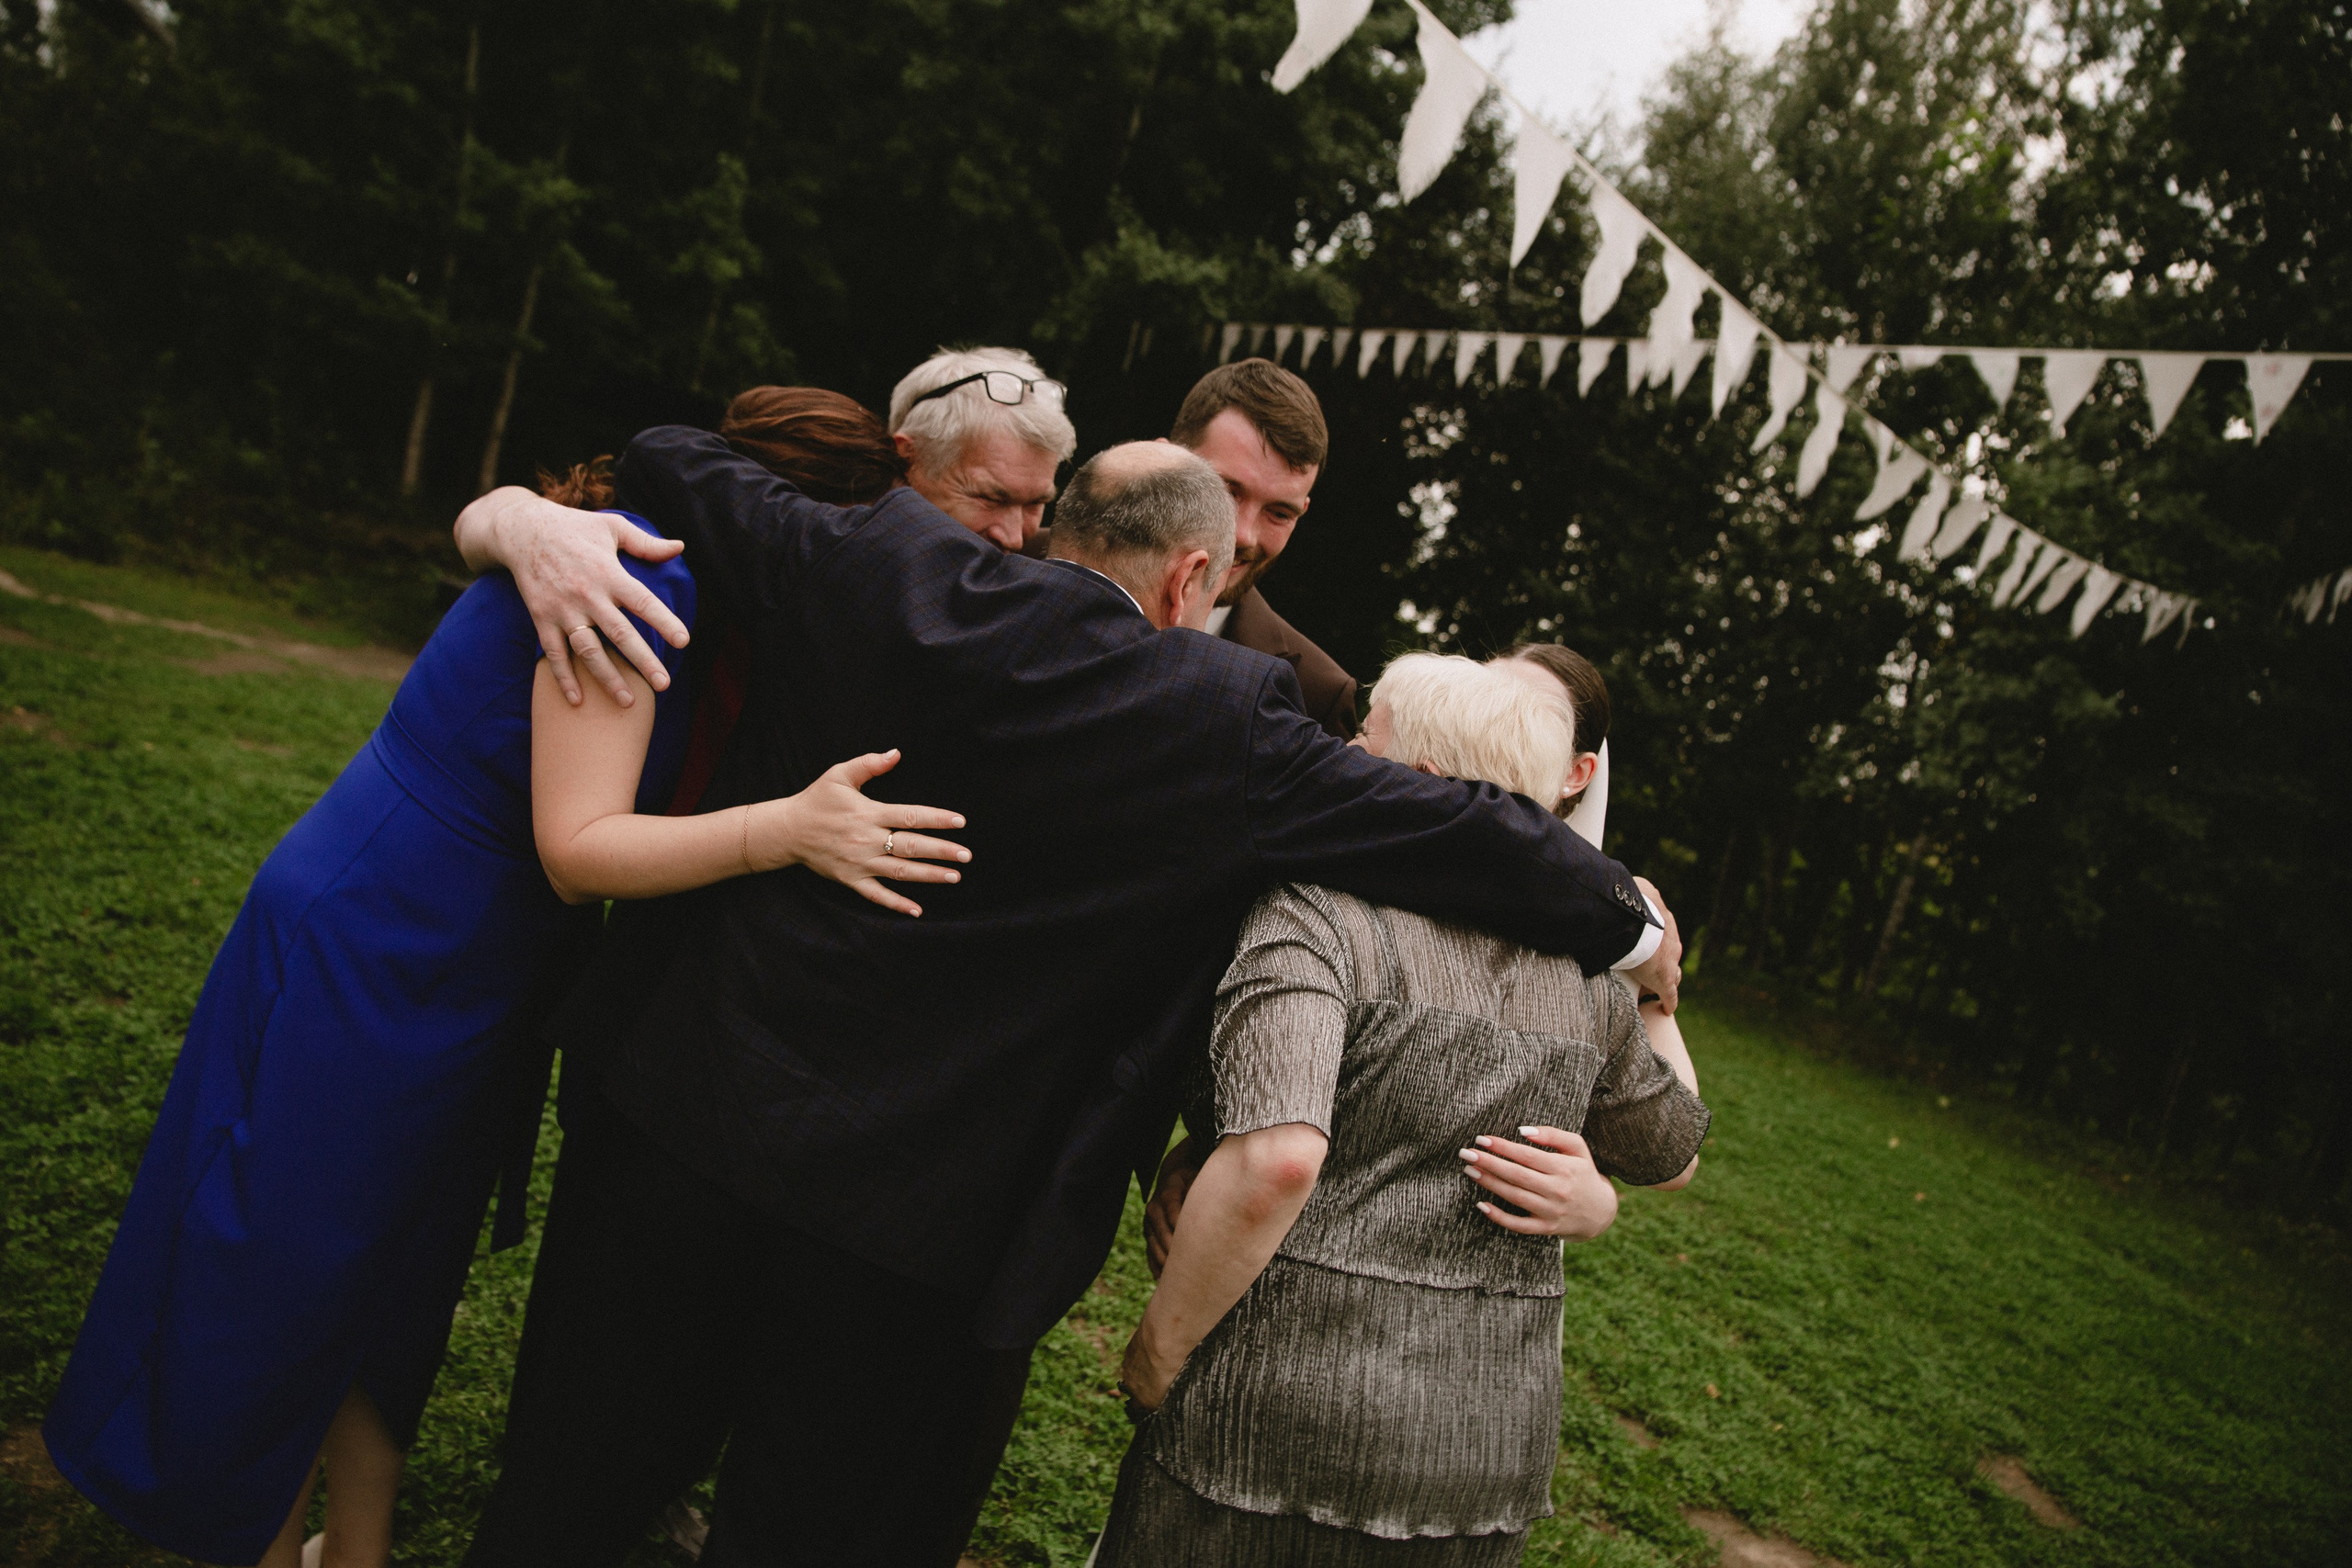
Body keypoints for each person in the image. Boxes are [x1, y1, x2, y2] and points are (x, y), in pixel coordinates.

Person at [449, 428, 1683, 1566]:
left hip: (682, 1129)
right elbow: (1464, 831)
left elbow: (674, 458)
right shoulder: (1218, 717)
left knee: (562, 1497)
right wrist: (1630, 926)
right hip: (921, 1234)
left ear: (1060, 527)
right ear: (1188, 577)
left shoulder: (877, 558)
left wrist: (523, 522)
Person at [39, 388, 963, 1568]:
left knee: (397, 1271)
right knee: (291, 1264)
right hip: (385, 942)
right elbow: (579, 852)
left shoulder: (694, 593)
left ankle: (355, 1548)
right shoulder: (649, 588)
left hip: (483, 963)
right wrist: (785, 830)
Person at [1098, 654, 1708, 1567]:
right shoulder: (1587, 979)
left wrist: (1156, 1353)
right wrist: (1654, 999)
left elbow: (1276, 1160)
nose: (1344, 752)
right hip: (1481, 1456)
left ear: (1416, 780)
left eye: (1362, 737)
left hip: (1267, 1424)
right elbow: (1674, 1149)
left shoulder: (1316, 918)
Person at [1170, 357, 1360, 739]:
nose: (1243, 535)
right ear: (1164, 461)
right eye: (1226, 491)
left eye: (1278, 513)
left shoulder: (1313, 696)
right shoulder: (1042, 565)